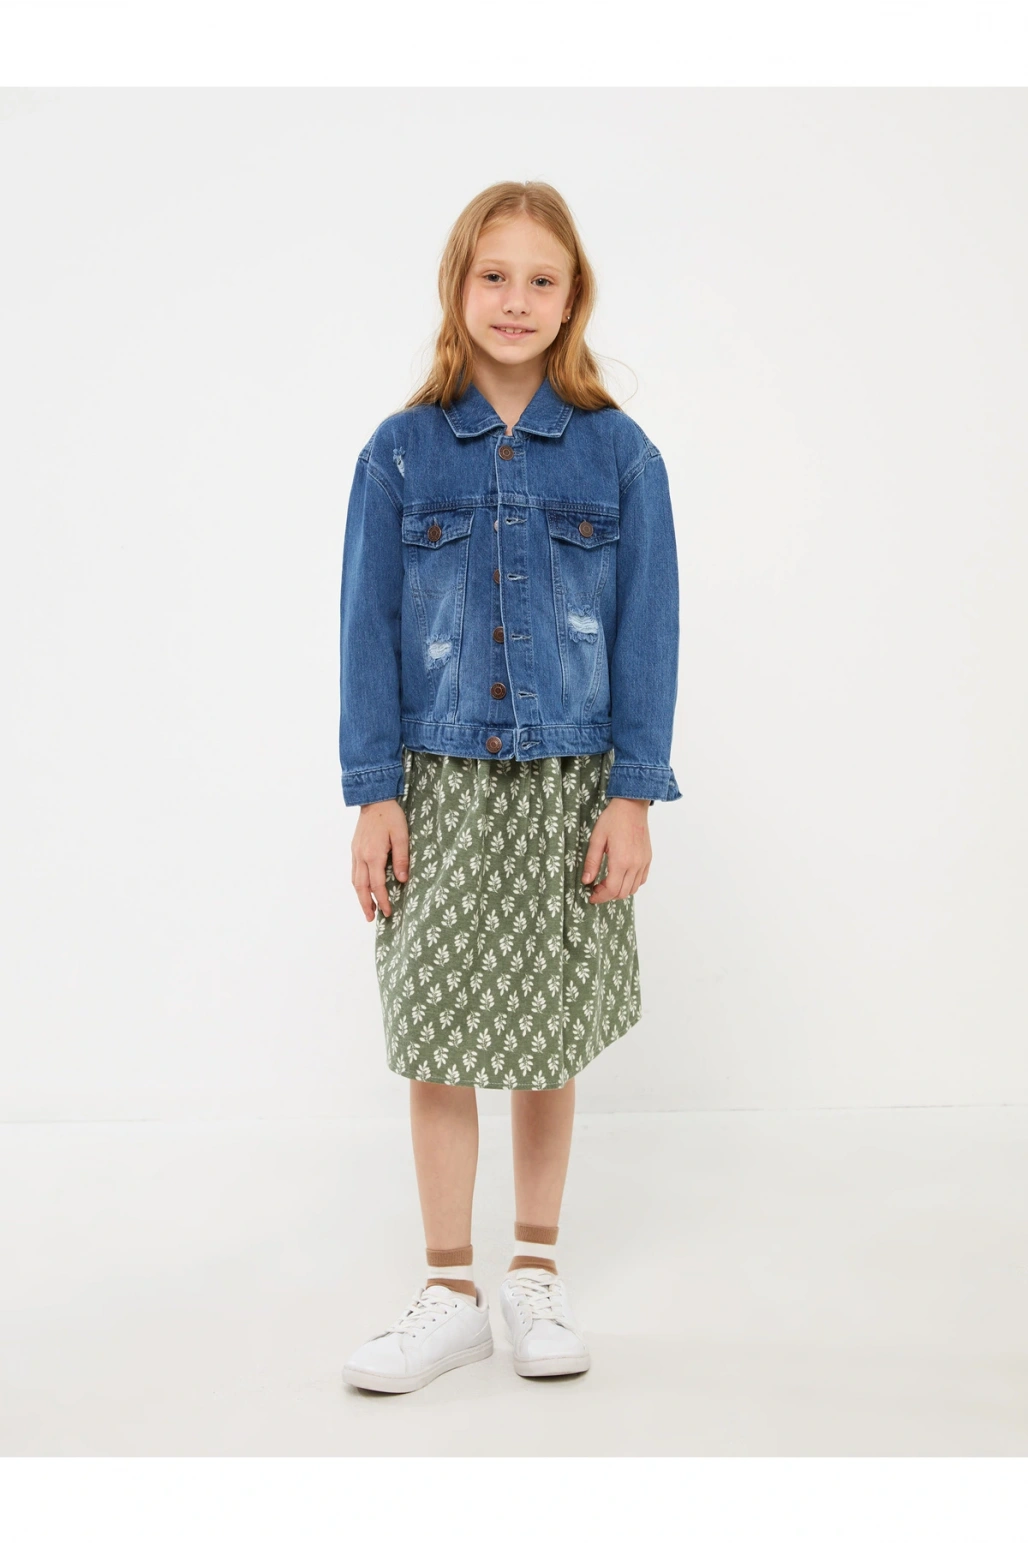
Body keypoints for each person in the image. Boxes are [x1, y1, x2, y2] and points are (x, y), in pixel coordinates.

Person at [337, 180, 681, 1394]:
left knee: (544, 1035)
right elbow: (365, 630)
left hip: (568, 783)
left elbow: (648, 631)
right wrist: (373, 793)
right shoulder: (398, 451)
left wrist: (631, 794)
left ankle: (533, 1271)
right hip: (433, 782)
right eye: (494, 275)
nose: (516, 300)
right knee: (433, 1027)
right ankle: (448, 1291)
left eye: (542, 279)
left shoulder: (619, 454)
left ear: (572, 296)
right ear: (458, 285)